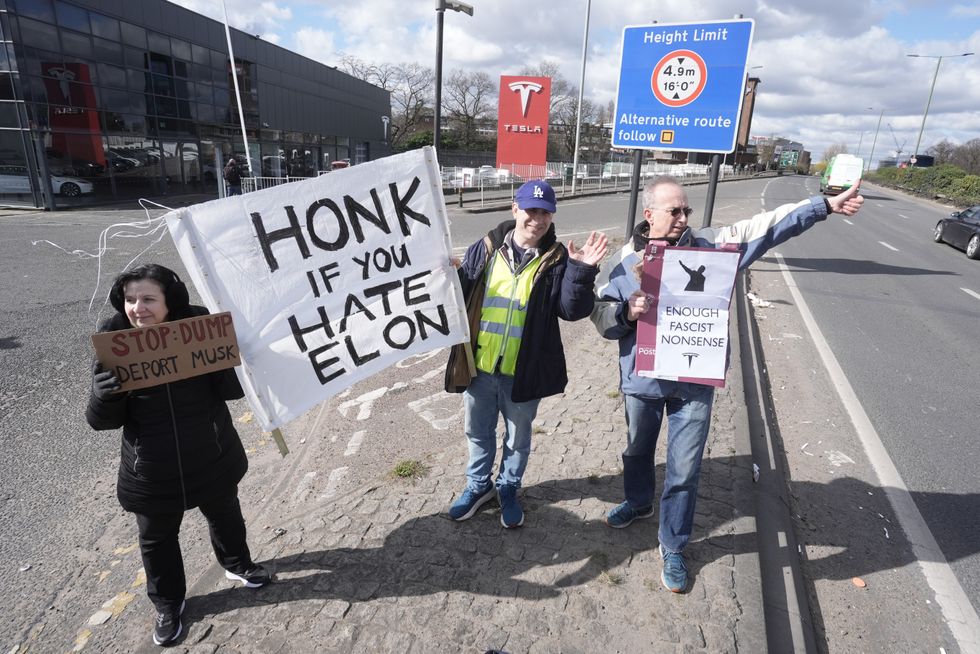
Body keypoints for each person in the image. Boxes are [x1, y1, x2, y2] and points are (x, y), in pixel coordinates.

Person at [592, 175, 864, 592]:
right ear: (649, 214)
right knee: (638, 450)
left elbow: (770, 226)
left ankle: (674, 544)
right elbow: (601, 318)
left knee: (684, 470)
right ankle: (638, 501)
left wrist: (823, 206)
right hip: (642, 380)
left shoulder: (714, 248)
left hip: (693, 385)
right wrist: (627, 313)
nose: (684, 218)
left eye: (687, 210)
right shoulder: (623, 261)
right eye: (675, 211)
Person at [86, 264, 270, 646]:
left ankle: (238, 565)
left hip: (211, 453)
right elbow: (102, 422)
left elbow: (232, 393)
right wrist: (104, 395)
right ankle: (168, 604)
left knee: (226, 516)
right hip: (152, 469)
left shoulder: (199, 331)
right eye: (130, 299)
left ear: (170, 301)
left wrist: (231, 359)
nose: (139, 308)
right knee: (156, 540)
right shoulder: (114, 344)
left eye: (149, 299)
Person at [444, 180, 609, 528]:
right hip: (480, 367)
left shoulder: (558, 258)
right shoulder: (486, 247)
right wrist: (449, 273)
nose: (538, 219)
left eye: (546, 213)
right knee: (478, 432)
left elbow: (571, 310)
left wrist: (581, 272)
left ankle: (508, 488)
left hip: (524, 371)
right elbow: (461, 292)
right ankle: (478, 487)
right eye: (531, 210)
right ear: (515, 209)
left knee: (517, 439)